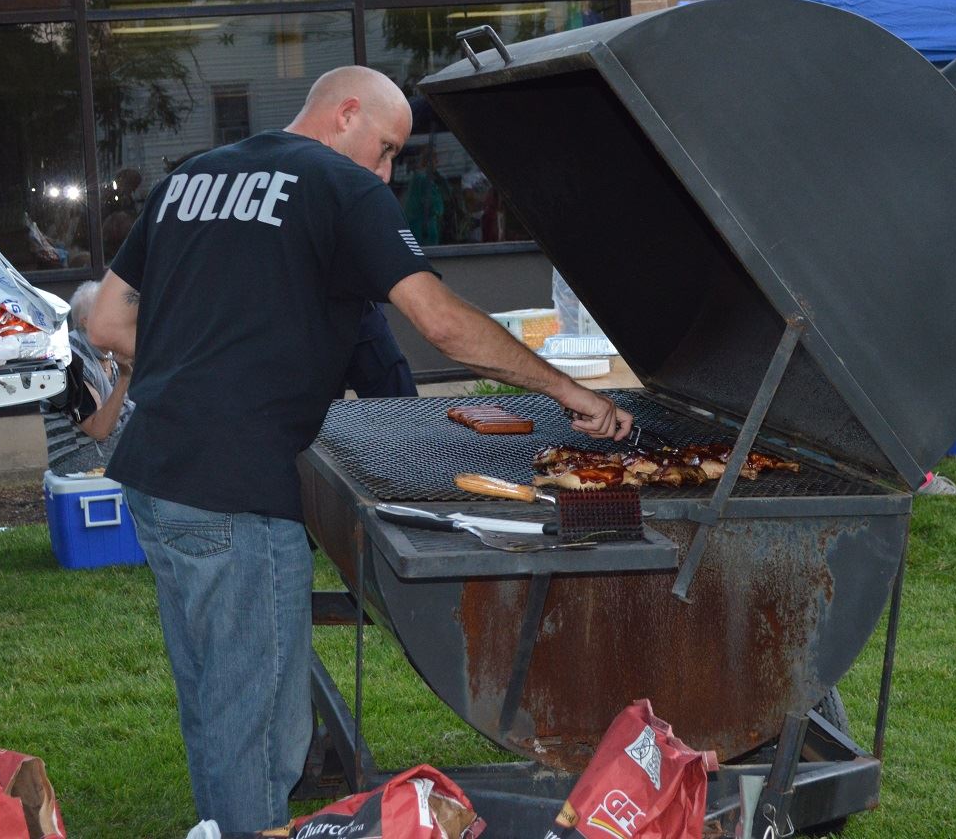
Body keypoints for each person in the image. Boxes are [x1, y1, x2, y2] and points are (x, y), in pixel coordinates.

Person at [86, 65, 632, 834]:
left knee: (213, 699)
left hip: (153, 474)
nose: (385, 171)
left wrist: (199, 359)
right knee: (260, 731)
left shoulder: (195, 177)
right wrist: (564, 390)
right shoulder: (343, 188)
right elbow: (440, 323)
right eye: (384, 148)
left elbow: (107, 322)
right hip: (236, 487)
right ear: (345, 114)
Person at [40, 278, 133, 475]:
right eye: (110, 313)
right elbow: (98, 430)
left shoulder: (106, 353)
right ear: (86, 321)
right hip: (77, 459)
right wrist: (125, 378)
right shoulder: (68, 359)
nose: (119, 319)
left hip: (106, 449)